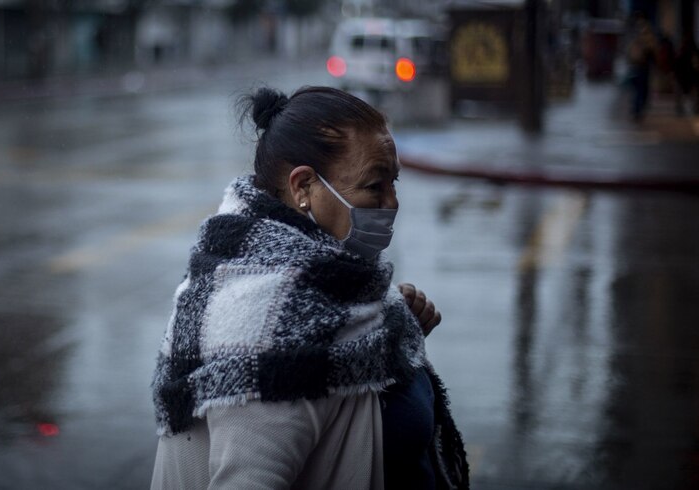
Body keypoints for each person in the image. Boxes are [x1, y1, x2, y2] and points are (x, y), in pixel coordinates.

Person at [150, 86, 469, 489]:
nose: (393, 202)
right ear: (303, 187)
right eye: (374, 186)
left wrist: (389, 336)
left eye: (394, 182)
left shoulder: (333, 288)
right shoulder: (270, 328)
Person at [625, 14, 657, 122]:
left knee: (637, 89)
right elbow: (652, 50)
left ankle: (636, 110)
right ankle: (638, 110)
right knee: (641, 89)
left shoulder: (634, 34)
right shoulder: (647, 35)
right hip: (642, 66)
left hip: (637, 65)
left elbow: (629, 51)